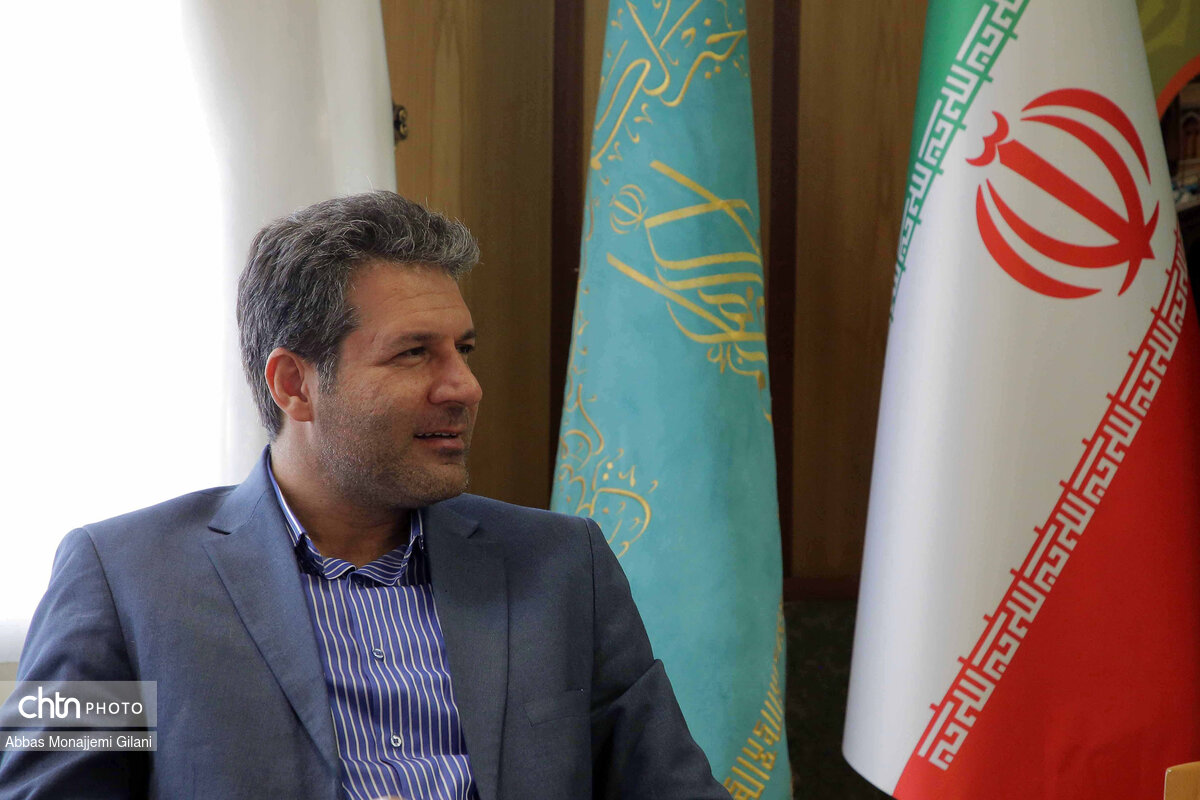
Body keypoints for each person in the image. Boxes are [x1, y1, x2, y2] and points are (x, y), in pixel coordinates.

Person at [0, 192, 728, 800]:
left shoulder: (562, 565)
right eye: (414, 353)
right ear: (294, 384)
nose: (465, 387)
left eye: (463, 350)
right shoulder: (122, 578)